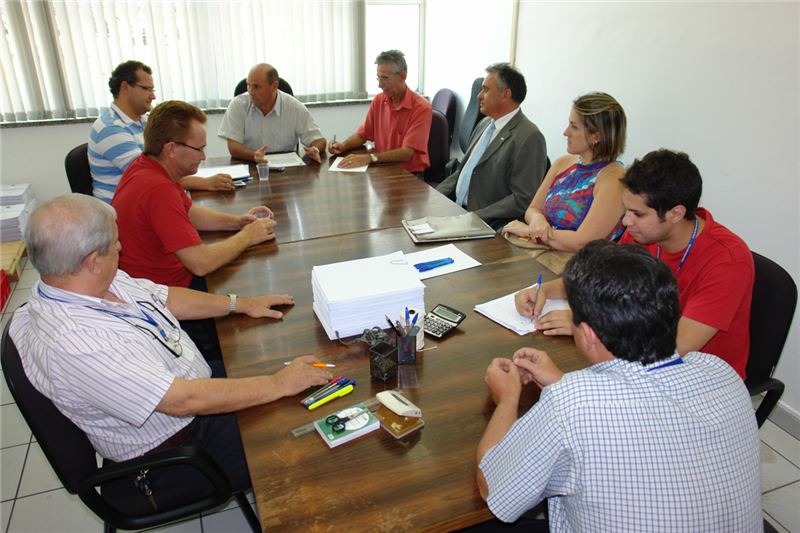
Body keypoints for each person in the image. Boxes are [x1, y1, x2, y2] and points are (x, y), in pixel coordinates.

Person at [9, 193, 331, 488]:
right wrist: (276, 385)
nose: (121, 248)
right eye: (117, 242)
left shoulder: (82, 279)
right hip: (181, 451)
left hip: (193, 392)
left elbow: (165, 299)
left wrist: (240, 303)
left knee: (296, 371)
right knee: (315, 432)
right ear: (92, 261)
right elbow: (182, 400)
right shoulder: (75, 343)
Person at [476, 241, 761, 532]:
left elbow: (492, 488)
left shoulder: (571, 402)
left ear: (588, 333)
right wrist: (563, 382)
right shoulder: (721, 372)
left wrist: (508, 398)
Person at [516, 150, 753, 379]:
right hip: (637, 353)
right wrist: (543, 290)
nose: (626, 221)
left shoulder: (727, 262)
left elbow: (675, 350)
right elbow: (602, 281)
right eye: (626, 209)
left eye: (637, 214)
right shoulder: (645, 233)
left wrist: (586, 327)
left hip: (694, 376)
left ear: (676, 213)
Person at [111, 100, 277, 290]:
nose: (204, 157)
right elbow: (201, 264)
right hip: (161, 295)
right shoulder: (157, 189)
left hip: (156, 283)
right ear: (171, 149)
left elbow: (190, 212)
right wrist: (247, 236)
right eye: (199, 149)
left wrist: (238, 222)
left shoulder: (146, 165)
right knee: (257, 283)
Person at [89, 60, 235, 202]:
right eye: (147, 89)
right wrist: (205, 183)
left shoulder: (144, 120)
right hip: (119, 214)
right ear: (125, 87)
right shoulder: (110, 129)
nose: (153, 96)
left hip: (146, 198)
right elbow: (151, 172)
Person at [502, 93, 626, 251]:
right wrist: (538, 220)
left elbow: (582, 242)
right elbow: (532, 209)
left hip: (577, 265)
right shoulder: (563, 163)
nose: (566, 132)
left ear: (597, 136)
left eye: (574, 127)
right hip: (541, 252)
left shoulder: (614, 179)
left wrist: (530, 231)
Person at [436, 63, 547, 231]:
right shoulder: (484, 124)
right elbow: (466, 170)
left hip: (487, 223)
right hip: (457, 212)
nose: (479, 96)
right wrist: (435, 196)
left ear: (505, 95)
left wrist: (474, 218)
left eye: (485, 90)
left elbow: (522, 198)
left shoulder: (530, 137)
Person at [329, 50, 432, 179]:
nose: (380, 85)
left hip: (409, 175)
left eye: (384, 78)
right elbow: (363, 134)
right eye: (378, 78)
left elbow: (407, 153)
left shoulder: (421, 107)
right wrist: (343, 146)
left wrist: (369, 158)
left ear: (402, 76)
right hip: (382, 169)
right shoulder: (379, 100)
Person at [218, 63, 326, 164]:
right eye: (248, 85)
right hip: (249, 164)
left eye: (257, 87)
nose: (251, 92)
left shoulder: (295, 108)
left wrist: (315, 149)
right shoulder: (238, 105)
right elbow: (233, 146)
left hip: (286, 169)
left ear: (274, 86)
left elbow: (319, 140)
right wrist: (254, 155)